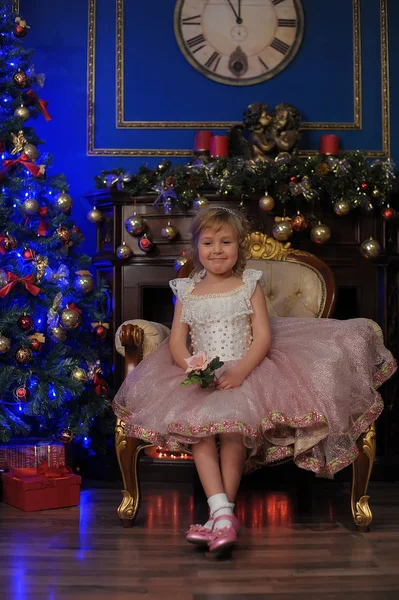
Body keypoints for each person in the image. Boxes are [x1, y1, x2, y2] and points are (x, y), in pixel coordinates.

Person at [112, 206, 396, 556]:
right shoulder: (187, 291)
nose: (217, 250)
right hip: (200, 374)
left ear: (239, 247)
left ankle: (219, 518)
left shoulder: (248, 285)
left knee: (234, 435)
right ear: (196, 248)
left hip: (245, 371)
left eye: (226, 242)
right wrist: (191, 367)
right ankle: (222, 515)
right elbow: (176, 340)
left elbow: (262, 337)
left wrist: (241, 370)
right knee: (199, 435)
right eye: (209, 243)